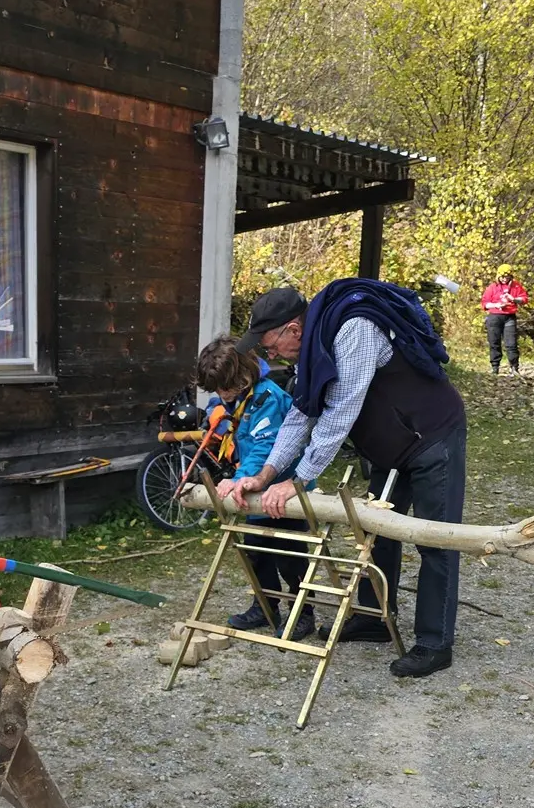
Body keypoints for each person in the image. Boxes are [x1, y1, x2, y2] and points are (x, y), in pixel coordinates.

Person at [230, 281, 466, 679]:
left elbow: (341, 409)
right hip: (391, 447)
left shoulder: (353, 330)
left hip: (433, 437)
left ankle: (434, 642)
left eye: (268, 345)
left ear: (293, 328)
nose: (266, 354)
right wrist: (265, 474)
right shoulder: (311, 349)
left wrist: (300, 480)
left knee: (434, 538)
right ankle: (374, 619)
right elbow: (302, 413)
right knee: (376, 533)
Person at [194, 337, 314, 639]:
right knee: (255, 551)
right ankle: (265, 605)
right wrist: (216, 417)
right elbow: (223, 415)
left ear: (243, 377)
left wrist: (239, 479)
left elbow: (265, 447)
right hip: (253, 488)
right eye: (217, 390)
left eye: (224, 388)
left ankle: (303, 612)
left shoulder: (267, 399)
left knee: (290, 554)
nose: (221, 394)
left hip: (283, 487)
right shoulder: (231, 396)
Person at [480, 264, 528, 376]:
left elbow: (525, 299)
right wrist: (496, 305)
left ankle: (514, 368)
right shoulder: (492, 287)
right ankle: (495, 368)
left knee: (511, 344)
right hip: (494, 317)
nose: (505, 279)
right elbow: (485, 303)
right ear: (498, 276)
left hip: (510, 317)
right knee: (494, 342)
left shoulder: (516, 287)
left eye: (507, 277)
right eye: (502, 277)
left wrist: (515, 299)